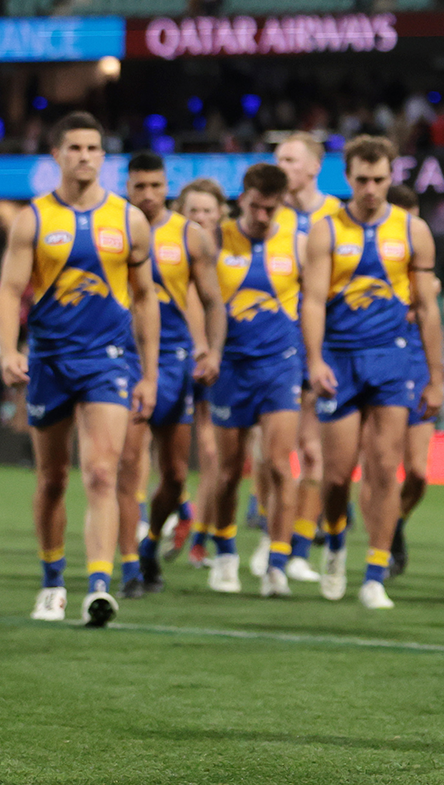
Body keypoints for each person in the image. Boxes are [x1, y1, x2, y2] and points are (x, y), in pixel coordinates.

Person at [0, 112, 159, 627]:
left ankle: (99, 587)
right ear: (57, 156)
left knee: (103, 472)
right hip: (48, 360)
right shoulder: (34, 220)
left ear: (103, 157)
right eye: (75, 148)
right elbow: (8, 291)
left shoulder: (129, 220)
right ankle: (51, 582)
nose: (84, 156)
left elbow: (147, 298)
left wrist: (149, 374)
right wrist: (7, 348)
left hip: (107, 359)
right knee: (51, 480)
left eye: (93, 148)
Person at [301, 135, 444, 609]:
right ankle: (338, 542)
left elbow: (426, 308)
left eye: (379, 179)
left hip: (392, 358)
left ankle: (375, 573)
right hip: (340, 359)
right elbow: (313, 302)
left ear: (391, 176)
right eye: (361, 180)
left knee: (386, 469)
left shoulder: (412, 230)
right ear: (348, 178)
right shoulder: (326, 231)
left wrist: (437, 377)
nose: (370, 188)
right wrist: (315, 359)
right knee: (337, 477)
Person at [119, 153, 223, 598]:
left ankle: (151, 542)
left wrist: (212, 351)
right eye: (139, 186)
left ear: (168, 189)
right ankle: (125, 567)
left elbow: (213, 301)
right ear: (128, 186)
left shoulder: (189, 237)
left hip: (175, 362)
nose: (147, 194)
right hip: (122, 358)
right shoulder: (112, 227)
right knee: (125, 468)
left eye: (155, 186)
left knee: (177, 475)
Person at [202, 163, 305, 597]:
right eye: (256, 207)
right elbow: (198, 299)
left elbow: (318, 300)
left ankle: (277, 562)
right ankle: (225, 552)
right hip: (230, 367)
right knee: (228, 472)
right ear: (241, 198)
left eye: (272, 208)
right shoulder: (215, 240)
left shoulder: (298, 241)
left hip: (281, 366)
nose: (263, 216)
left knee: (281, 466)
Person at [277, 132, 344, 581]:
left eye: (289, 158)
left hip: (325, 345)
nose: (280, 165)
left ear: (314, 167)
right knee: (275, 454)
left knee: (316, 455)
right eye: (278, 158)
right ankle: (274, 535)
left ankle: (299, 545)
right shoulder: (269, 216)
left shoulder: (338, 218)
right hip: (276, 346)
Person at [170, 178, 229, 569]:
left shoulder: (235, 252)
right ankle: (174, 513)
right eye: (194, 211)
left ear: (221, 214)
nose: (202, 217)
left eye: (209, 210)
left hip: (222, 361)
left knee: (214, 454)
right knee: (166, 458)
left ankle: (200, 536)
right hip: (179, 357)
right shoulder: (173, 251)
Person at [381, 182, 433, 577]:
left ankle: (395, 519)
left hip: (417, 367)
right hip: (386, 367)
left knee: (417, 472)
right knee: (383, 464)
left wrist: (439, 374)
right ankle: (382, 542)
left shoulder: (426, 277)